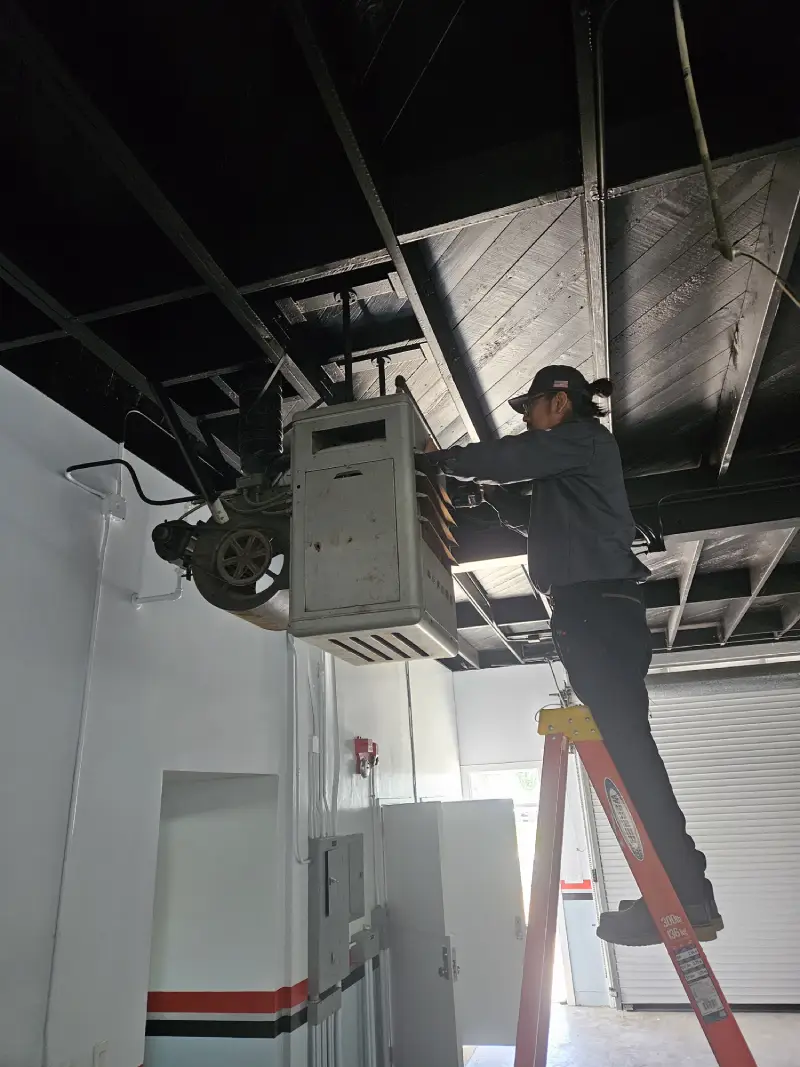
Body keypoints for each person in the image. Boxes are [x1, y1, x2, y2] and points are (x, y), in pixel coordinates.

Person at [424, 365, 722, 947]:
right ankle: (686, 892)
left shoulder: (582, 439)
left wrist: (443, 461)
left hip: (596, 611)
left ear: (559, 403)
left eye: (531, 408)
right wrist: (492, 495)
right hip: (597, 611)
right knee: (630, 752)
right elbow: (535, 518)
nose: (527, 421)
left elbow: (514, 458)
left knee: (630, 755)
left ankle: (686, 895)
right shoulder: (573, 466)